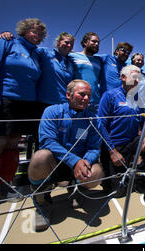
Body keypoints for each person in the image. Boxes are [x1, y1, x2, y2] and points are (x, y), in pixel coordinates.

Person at [0, 18, 47, 215]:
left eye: (41, 34)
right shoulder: (6, 42)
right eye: (34, 32)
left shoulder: (37, 54)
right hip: (3, 100)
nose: (37, 36)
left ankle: (3, 186)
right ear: (24, 31)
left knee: (14, 142)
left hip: (26, 104)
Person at [27, 80, 105, 231]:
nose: (86, 98)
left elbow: (94, 147)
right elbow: (47, 141)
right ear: (68, 95)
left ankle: (77, 189)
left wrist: (85, 162)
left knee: (96, 173)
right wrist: (74, 161)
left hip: (79, 164)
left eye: (89, 95)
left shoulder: (93, 119)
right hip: (54, 164)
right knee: (39, 158)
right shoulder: (52, 112)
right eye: (82, 94)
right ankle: (42, 202)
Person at [98, 65, 145, 193]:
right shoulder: (110, 96)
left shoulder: (139, 98)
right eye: (134, 77)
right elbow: (100, 125)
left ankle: (140, 177)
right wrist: (112, 151)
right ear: (123, 77)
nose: (137, 81)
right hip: (114, 146)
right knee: (118, 193)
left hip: (133, 142)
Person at [69, 32, 103, 111]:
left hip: (95, 102)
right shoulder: (72, 56)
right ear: (85, 42)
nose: (96, 44)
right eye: (93, 41)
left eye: (98, 42)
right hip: (77, 101)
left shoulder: (98, 61)